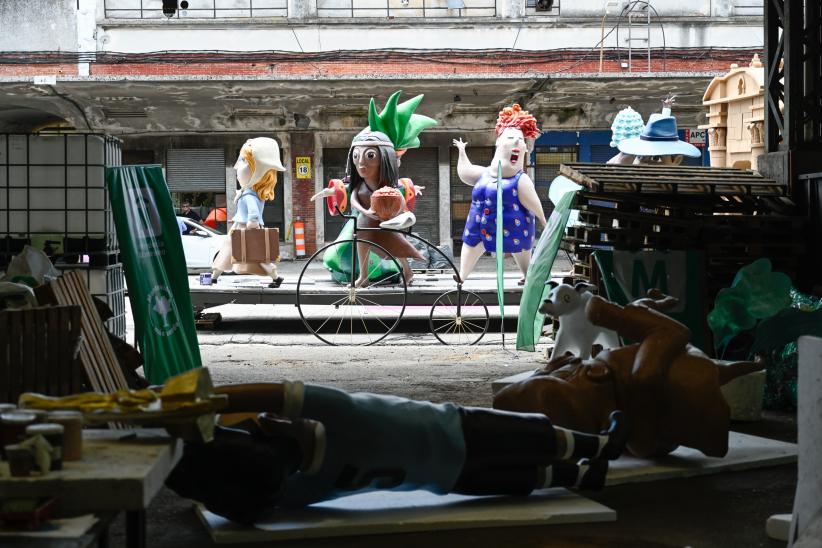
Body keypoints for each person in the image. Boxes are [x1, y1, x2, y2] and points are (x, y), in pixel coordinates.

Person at [165, 380, 629, 525]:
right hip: (454, 426)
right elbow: (274, 396)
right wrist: (210, 401)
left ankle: (580, 477)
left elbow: (251, 493)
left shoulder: (308, 490)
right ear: (284, 433)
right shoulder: (339, 414)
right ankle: (600, 446)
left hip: (447, 480)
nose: (271, 420)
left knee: (518, 478)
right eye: (270, 426)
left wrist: (198, 473)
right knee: (532, 434)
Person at [494, 289, 762, 459]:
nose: (570, 360)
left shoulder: (616, 407)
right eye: (568, 369)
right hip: (661, 395)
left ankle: (745, 366)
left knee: (644, 323)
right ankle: (619, 314)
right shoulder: (620, 386)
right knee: (672, 336)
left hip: (664, 408)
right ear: (593, 374)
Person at [311, 91, 435, 286]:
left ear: (385, 159)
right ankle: (364, 276)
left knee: (395, 245)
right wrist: (362, 209)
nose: (361, 163)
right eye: (356, 156)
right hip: (363, 221)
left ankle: (406, 271)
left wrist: (403, 210)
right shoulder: (359, 184)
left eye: (369, 156)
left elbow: (397, 195)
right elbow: (352, 197)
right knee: (361, 243)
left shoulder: (386, 183)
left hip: (384, 220)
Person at [453, 104, 547, 285]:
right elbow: (466, 172)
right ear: (499, 143)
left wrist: (544, 221)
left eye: (520, 140)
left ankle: (527, 275)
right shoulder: (485, 173)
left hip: (515, 227)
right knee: (471, 246)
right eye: (511, 138)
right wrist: (462, 152)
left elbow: (534, 204)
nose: (517, 142)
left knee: (521, 252)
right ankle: (462, 275)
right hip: (479, 226)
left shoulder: (521, 180)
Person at [211, 137, 286, 287]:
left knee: (258, 255)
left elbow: (253, 212)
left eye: (244, 161)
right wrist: (237, 218)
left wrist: (252, 222)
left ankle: (275, 277)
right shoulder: (251, 192)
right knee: (229, 250)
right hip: (241, 226)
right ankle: (214, 275)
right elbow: (245, 211)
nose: (238, 166)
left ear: (258, 171)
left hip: (248, 228)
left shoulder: (250, 194)